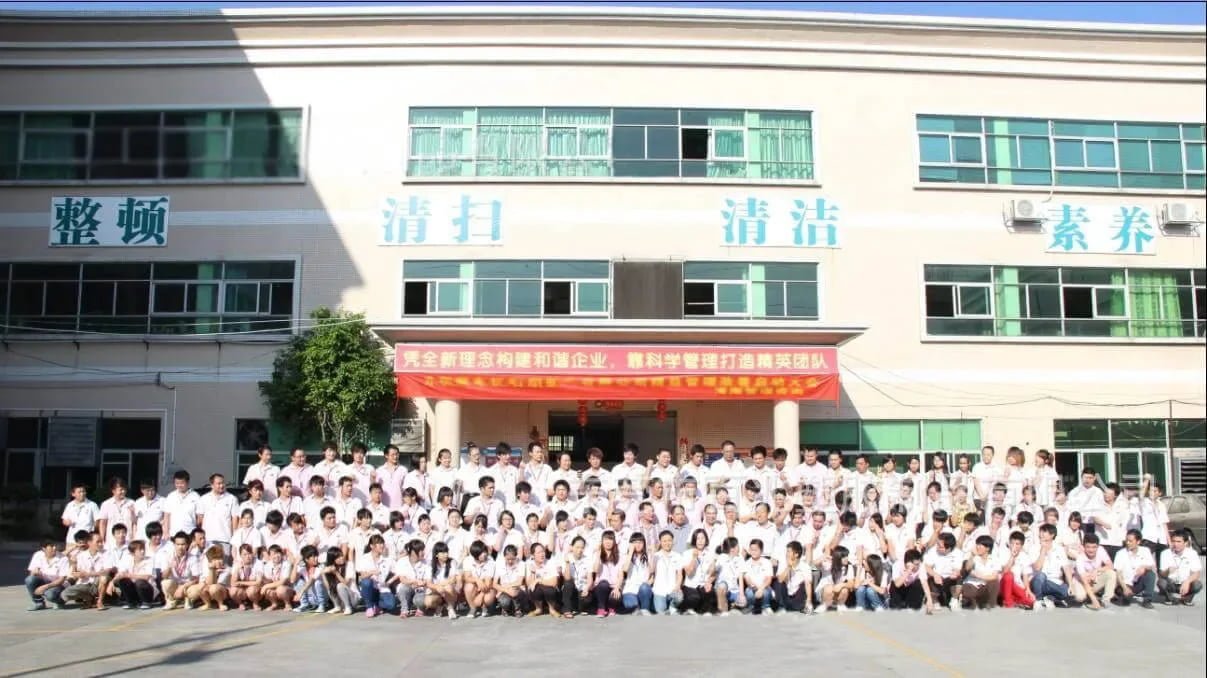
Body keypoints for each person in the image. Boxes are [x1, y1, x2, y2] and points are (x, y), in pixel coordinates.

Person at [1030, 523, 1075, 609]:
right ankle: (1038, 599)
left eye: (1045, 532)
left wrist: (1071, 584)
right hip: (1039, 581)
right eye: (1041, 532)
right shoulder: (1034, 548)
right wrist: (1043, 550)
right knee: (1040, 576)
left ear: (1052, 535)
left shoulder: (1059, 549)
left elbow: (1066, 567)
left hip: (1055, 582)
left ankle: (1049, 597)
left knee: (1066, 591)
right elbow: (1037, 568)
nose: (1042, 534)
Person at [1114, 528, 1157, 609]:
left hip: (1137, 582)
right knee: (1125, 600)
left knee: (1150, 574)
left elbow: (1152, 565)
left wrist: (1144, 567)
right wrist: (1125, 588)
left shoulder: (1145, 550)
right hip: (1125, 584)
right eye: (1126, 540)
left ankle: (1147, 600)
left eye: (1130, 541)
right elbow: (1118, 573)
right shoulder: (1120, 553)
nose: (1127, 543)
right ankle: (1123, 596)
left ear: (1138, 541)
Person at [1071, 534, 1115, 611]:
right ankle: (1089, 596)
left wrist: (1097, 570)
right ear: (1084, 546)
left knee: (1111, 573)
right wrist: (1094, 600)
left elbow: (1110, 565)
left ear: (1098, 546)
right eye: (1088, 547)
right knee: (1080, 597)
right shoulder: (1080, 558)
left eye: (1094, 547)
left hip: (1094, 579)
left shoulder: (1101, 550)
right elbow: (1084, 581)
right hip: (1081, 581)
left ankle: (1106, 600)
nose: (1091, 550)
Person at [1159, 529, 1202, 605]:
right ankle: (1170, 598)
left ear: (1185, 543)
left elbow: (1197, 573)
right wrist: (1168, 571)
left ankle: (1186, 598)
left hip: (1185, 583)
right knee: (1161, 582)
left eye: (1179, 542)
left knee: (1197, 584)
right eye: (1173, 541)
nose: (1175, 544)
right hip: (1171, 582)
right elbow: (1162, 574)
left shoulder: (1192, 553)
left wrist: (1187, 582)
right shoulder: (1165, 553)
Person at [357, 534, 395, 618]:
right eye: (379, 543)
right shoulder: (364, 558)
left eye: (382, 543)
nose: (382, 545)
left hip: (382, 588)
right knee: (366, 582)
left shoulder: (387, 559)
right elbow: (362, 576)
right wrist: (371, 572)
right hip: (370, 587)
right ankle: (369, 607)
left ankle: (376, 605)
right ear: (371, 546)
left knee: (391, 605)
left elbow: (397, 573)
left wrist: (389, 582)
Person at [25, 539, 69, 611]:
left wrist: (44, 587)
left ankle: (60, 601)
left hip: (58, 584)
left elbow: (61, 580)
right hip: (44, 580)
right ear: (44, 549)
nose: (54, 548)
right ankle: (39, 603)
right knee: (29, 579)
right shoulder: (38, 555)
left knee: (50, 594)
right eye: (51, 546)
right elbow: (31, 574)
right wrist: (35, 573)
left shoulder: (63, 558)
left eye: (55, 545)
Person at [112, 540, 156, 609]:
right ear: (132, 553)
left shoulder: (149, 560)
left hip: (148, 590)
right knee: (123, 580)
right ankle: (132, 602)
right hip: (136, 589)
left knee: (140, 582)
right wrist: (112, 582)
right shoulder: (129, 560)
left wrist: (127, 575)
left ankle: (147, 602)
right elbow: (121, 573)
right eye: (140, 550)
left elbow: (146, 577)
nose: (143, 551)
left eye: (143, 549)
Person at [960, 536, 1000, 609]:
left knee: (994, 582)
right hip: (972, 585)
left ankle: (990, 604)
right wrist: (972, 555)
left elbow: (994, 576)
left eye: (980, 545)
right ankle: (973, 602)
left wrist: (979, 576)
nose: (977, 547)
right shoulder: (973, 557)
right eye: (977, 544)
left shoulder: (994, 559)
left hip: (984, 586)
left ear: (987, 548)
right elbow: (967, 568)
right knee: (968, 588)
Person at [560, 536, 594, 618]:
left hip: (582, 589)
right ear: (572, 547)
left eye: (582, 547)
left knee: (587, 600)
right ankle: (567, 610)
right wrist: (567, 563)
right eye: (577, 547)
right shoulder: (566, 558)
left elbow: (590, 578)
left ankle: (579, 608)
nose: (580, 550)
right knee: (568, 584)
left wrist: (587, 588)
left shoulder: (588, 559)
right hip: (571, 590)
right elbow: (567, 578)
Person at [741, 538, 775, 615]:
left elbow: (768, 579)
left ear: (761, 550)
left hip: (764, 587)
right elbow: (747, 579)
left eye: (756, 550)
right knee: (749, 593)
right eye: (751, 550)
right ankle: (751, 607)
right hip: (752, 587)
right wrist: (753, 587)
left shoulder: (767, 562)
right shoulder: (746, 563)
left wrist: (761, 588)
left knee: (766, 593)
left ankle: (765, 607)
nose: (753, 552)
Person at [228, 544, 262, 611]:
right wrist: (238, 569)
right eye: (245, 554)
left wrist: (241, 582)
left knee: (251, 590)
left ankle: (255, 603)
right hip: (243, 589)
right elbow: (232, 583)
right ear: (240, 555)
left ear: (252, 554)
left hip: (255, 589)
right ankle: (240, 604)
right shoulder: (237, 564)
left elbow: (258, 582)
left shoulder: (258, 563)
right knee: (232, 591)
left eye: (249, 553)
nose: (248, 556)